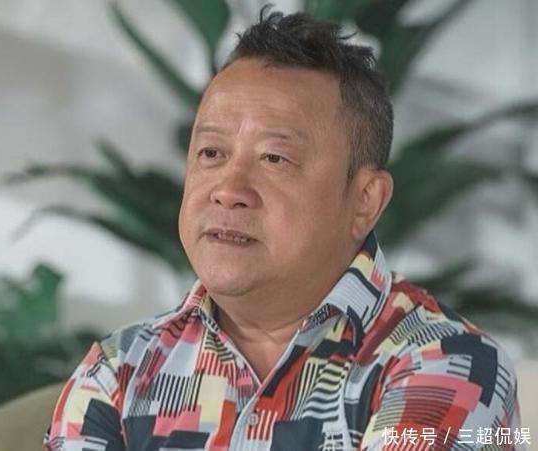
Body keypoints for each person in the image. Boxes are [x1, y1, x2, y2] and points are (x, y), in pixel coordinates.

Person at [44, 9, 523, 451]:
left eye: (275, 158)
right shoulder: (119, 370)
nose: (228, 190)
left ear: (365, 200)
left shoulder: (448, 363)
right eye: (211, 153)